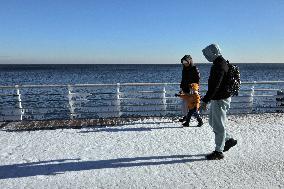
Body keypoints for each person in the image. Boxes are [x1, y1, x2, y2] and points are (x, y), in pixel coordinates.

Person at [200, 44, 237, 160]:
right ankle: (228, 140)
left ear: (213, 53)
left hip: (220, 99)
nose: (206, 57)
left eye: (207, 54)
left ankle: (218, 151)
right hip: (220, 98)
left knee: (219, 125)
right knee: (212, 122)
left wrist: (205, 100)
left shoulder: (219, 65)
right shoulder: (221, 62)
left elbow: (215, 86)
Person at [179, 55, 200, 123]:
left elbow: (197, 80)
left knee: (193, 106)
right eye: (183, 62)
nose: (184, 63)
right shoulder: (184, 69)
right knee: (184, 105)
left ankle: (199, 119)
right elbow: (183, 79)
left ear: (189, 61)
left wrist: (195, 89)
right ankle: (185, 117)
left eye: (186, 62)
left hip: (192, 90)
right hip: (185, 89)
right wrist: (181, 88)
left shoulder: (195, 68)